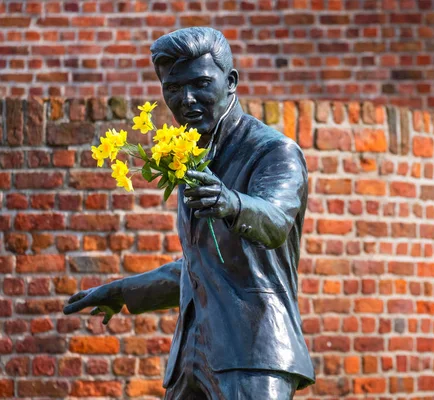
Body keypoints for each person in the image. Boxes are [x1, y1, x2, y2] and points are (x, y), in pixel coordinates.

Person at [63, 27, 315, 399]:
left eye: (200, 83)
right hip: (190, 359)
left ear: (231, 82)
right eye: (174, 88)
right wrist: (122, 290)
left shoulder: (274, 152)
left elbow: (276, 221)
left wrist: (231, 202)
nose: (187, 100)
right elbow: (200, 268)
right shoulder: (190, 156)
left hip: (255, 353)